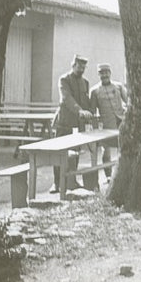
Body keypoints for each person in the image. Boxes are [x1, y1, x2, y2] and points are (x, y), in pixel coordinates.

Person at [51, 55, 93, 193]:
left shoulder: (85, 83)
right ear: (73, 65)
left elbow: (86, 101)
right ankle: (56, 183)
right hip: (64, 122)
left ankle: (72, 181)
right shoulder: (64, 80)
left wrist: (90, 114)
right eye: (78, 66)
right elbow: (66, 98)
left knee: (75, 153)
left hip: (77, 125)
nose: (81, 69)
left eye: (83, 67)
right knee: (59, 153)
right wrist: (80, 110)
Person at [89, 63, 130, 177]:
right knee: (106, 151)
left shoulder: (118, 86)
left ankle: (122, 174)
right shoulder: (94, 91)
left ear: (110, 73)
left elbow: (128, 102)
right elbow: (92, 111)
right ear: (98, 74)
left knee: (123, 148)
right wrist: (95, 128)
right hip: (106, 124)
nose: (104, 75)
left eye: (106, 72)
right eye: (102, 73)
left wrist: (127, 111)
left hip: (121, 122)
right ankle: (108, 176)